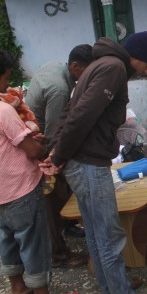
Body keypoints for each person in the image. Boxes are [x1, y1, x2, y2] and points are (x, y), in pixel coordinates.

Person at [40, 30, 147, 293]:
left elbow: (69, 112)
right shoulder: (115, 68)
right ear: (137, 57)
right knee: (109, 237)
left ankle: (113, 287)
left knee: (96, 234)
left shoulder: (99, 64)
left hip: (82, 161)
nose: (144, 72)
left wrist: (56, 151)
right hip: (89, 164)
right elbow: (81, 115)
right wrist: (58, 155)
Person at [25, 44, 93, 268]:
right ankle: (58, 254)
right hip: (37, 147)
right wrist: (54, 162)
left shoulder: (56, 65)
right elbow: (54, 136)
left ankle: (68, 225)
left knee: (62, 192)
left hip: (33, 135)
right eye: (86, 72)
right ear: (74, 67)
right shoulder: (60, 89)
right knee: (51, 200)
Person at [0, 50, 51, 294]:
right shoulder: (4, 111)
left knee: (7, 245)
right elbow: (32, 150)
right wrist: (40, 145)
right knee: (33, 248)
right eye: (6, 77)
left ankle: (18, 289)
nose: (7, 84)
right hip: (20, 192)